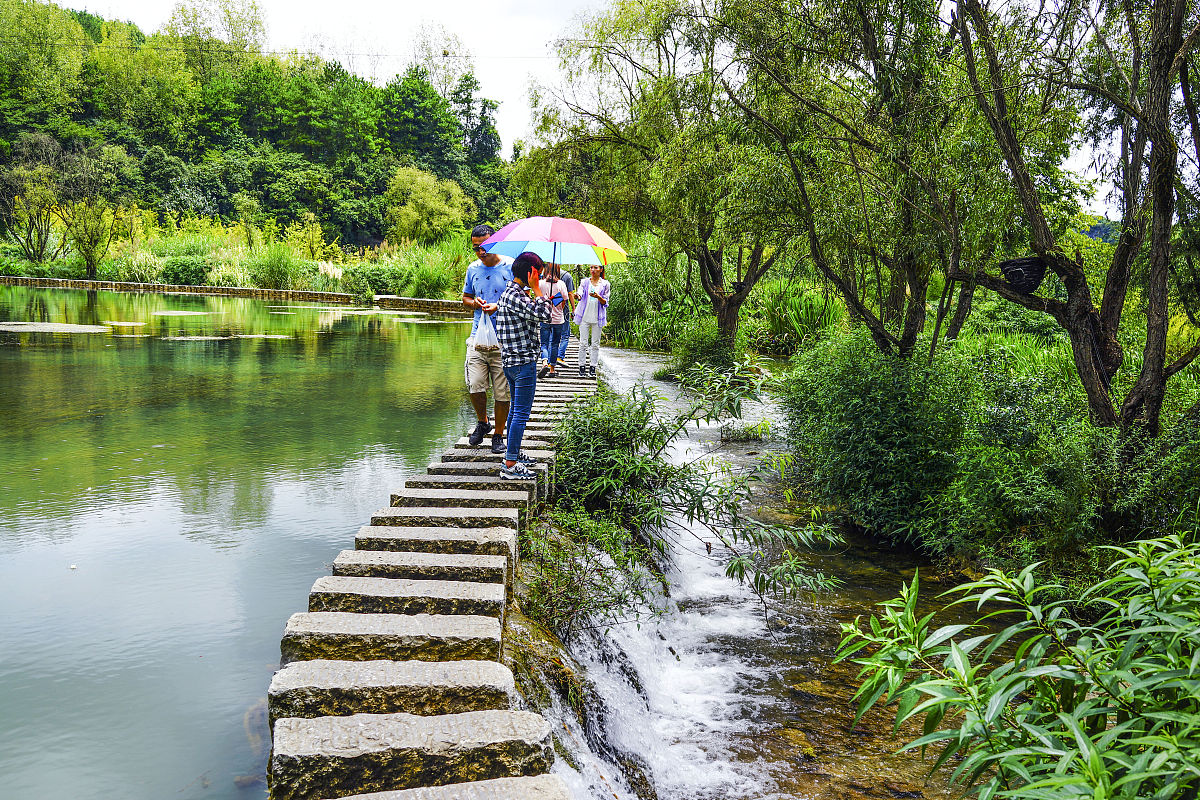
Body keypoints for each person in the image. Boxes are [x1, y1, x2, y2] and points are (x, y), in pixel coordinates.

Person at [495, 251, 553, 480]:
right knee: (521, 413)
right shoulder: (517, 296)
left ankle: (514, 453)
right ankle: (510, 464)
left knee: (514, 411)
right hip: (522, 362)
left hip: (512, 361)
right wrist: (538, 291)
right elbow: (545, 314)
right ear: (531, 273)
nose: (540, 277)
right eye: (538, 273)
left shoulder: (513, 293)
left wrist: (534, 292)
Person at [462, 224, 514, 453]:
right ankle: (483, 422)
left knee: (502, 391)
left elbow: (521, 298)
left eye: (485, 247)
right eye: (476, 248)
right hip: (477, 336)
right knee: (475, 385)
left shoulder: (511, 266)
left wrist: (499, 306)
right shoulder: (472, 269)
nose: (481, 253)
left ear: (496, 243)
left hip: (504, 337)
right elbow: (465, 297)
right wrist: (475, 303)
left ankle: (499, 435)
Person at [573, 263, 610, 378]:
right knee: (583, 343)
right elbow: (580, 292)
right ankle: (582, 367)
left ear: (601, 269)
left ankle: (593, 368)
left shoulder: (605, 284)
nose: (593, 270)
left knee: (595, 344)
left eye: (595, 268)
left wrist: (598, 296)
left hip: (597, 317)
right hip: (584, 317)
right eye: (591, 267)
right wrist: (577, 296)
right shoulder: (585, 282)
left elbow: (605, 302)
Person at [538, 263, 569, 379]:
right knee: (555, 344)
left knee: (544, 343)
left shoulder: (540, 283)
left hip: (544, 318)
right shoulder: (561, 284)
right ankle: (552, 370)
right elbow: (564, 300)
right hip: (558, 319)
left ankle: (544, 363)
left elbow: (537, 298)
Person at [556, 266, 575, 367]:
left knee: (552, 335)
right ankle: (560, 356)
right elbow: (570, 294)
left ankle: (550, 360)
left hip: (549, 309)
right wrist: (574, 309)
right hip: (564, 308)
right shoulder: (567, 276)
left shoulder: (545, 276)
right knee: (565, 334)